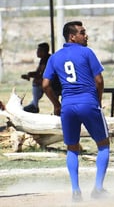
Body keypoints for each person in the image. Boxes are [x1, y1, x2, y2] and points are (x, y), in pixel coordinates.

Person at [42, 21, 110, 202]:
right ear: (72, 36)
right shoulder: (87, 52)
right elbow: (99, 80)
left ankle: (75, 190)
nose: (85, 35)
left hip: (68, 106)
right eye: (82, 32)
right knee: (103, 144)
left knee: (72, 148)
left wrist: (56, 104)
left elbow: (45, 85)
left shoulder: (55, 57)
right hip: (88, 102)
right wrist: (98, 99)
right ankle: (98, 188)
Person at [21, 42, 61, 113]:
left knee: (37, 81)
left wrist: (31, 75)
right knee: (38, 81)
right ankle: (34, 103)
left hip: (55, 84)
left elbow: (42, 75)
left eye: (39, 50)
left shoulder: (48, 59)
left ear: (44, 51)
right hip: (52, 82)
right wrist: (29, 74)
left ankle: (34, 105)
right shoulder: (43, 59)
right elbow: (38, 72)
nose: (37, 52)